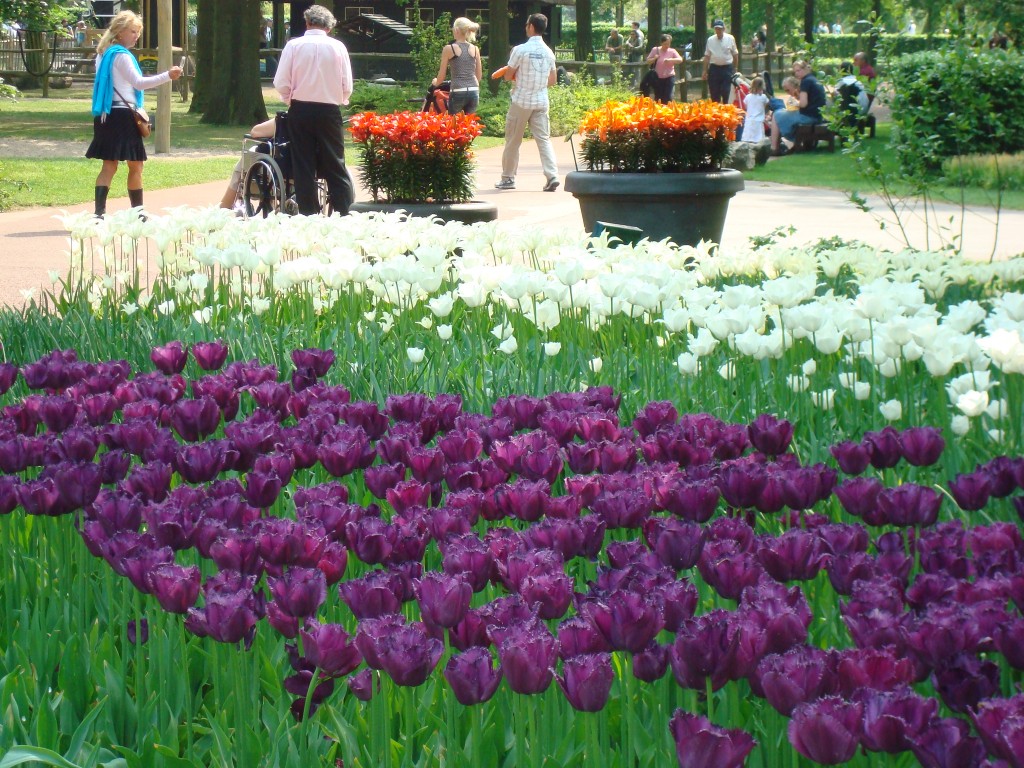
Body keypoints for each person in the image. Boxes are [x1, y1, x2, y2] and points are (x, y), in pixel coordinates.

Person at [86, 10, 182, 218]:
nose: (136, 36)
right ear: (120, 32)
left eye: (138, 32)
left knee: (109, 165)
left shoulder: (103, 54)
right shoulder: (121, 55)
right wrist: (168, 75)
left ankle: (99, 214)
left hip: (105, 114)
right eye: (133, 31)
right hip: (122, 115)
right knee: (136, 165)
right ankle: (138, 213)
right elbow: (138, 83)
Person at [273, 4, 354, 216]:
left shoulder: (293, 46)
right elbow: (347, 85)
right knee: (336, 164)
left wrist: (289, 99)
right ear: (329, 27)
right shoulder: (338, 47)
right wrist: (339, 99)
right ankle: (345, 214)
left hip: (300, 109)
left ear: (307, 22)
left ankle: (309, 215)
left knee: (303, 164)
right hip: (329, 111)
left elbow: (281, 82)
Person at [495, 13, 559, 193]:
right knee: (544, 140)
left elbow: (508, 75)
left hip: (521, 101)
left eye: (526, 24)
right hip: (541, 101)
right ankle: (552, 175)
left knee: (513, 140)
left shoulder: (519, 50)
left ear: (531, 26)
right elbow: (552, 80)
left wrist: (518, 78)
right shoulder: (549, 52)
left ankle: (508, 177)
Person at [219, 117, 277, 209]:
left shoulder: (287, 119)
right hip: (298, 169)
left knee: (246, 159)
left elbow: (255, 132)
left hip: (276, 166)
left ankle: (225, 205)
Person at [770, 59, 826, 155]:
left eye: (798, 70)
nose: (796, 74)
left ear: (805, 69)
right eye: (795, 71)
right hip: (817, 116)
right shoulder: (813, 79)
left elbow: (803, 104)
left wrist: (795, 104)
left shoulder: (805, 82)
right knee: (784, 114)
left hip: (808, 117)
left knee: (776, 114)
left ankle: (774, 148)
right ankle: (794, 144)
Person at [432, 17, 482, 114]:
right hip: (474, 90)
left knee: (455, 122)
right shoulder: (475, 49)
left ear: (456, 30)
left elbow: (441, 76)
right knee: (469, 122)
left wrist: (436, 82)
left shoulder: (449, 49)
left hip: (458, 90)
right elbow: (479, 76)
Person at [702, 20, 739, 104]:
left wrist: (735, 68)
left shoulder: (730, 38)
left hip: (727, 68)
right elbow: (707, 56)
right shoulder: (710, 40)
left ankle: (726, 108)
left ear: (723, 29)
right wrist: (704, 70)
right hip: (714, 68)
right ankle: (716, 109)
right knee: (714, 92)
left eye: (720, 29)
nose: (718, 30)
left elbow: (735, 54)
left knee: (726, 91)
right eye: (716, 29)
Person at [646, 34, 683, 104]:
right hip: (657, 77)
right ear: (661, 43)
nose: (667, 46)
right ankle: (659, 109)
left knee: (668, 97)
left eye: (668, 44)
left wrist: (671, 60)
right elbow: (648, 61)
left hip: (669, 76)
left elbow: (680, 60)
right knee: (658, 97)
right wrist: (654, 58)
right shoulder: (655, 50)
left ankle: (668, 109)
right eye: (665, 44)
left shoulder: (672, 51)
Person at [835, 62, 869, 129]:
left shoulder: (840, 83)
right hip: (861, 111)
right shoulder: (858, 82)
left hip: (848, 113)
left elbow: (835, 99)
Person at [740, 76, 770, 142]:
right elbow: (766, 105)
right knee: (759, 140)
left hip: (749, 121)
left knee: (747, 139)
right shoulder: (763, 97)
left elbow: (746, 107)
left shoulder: (748, 97)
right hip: (759, 121)